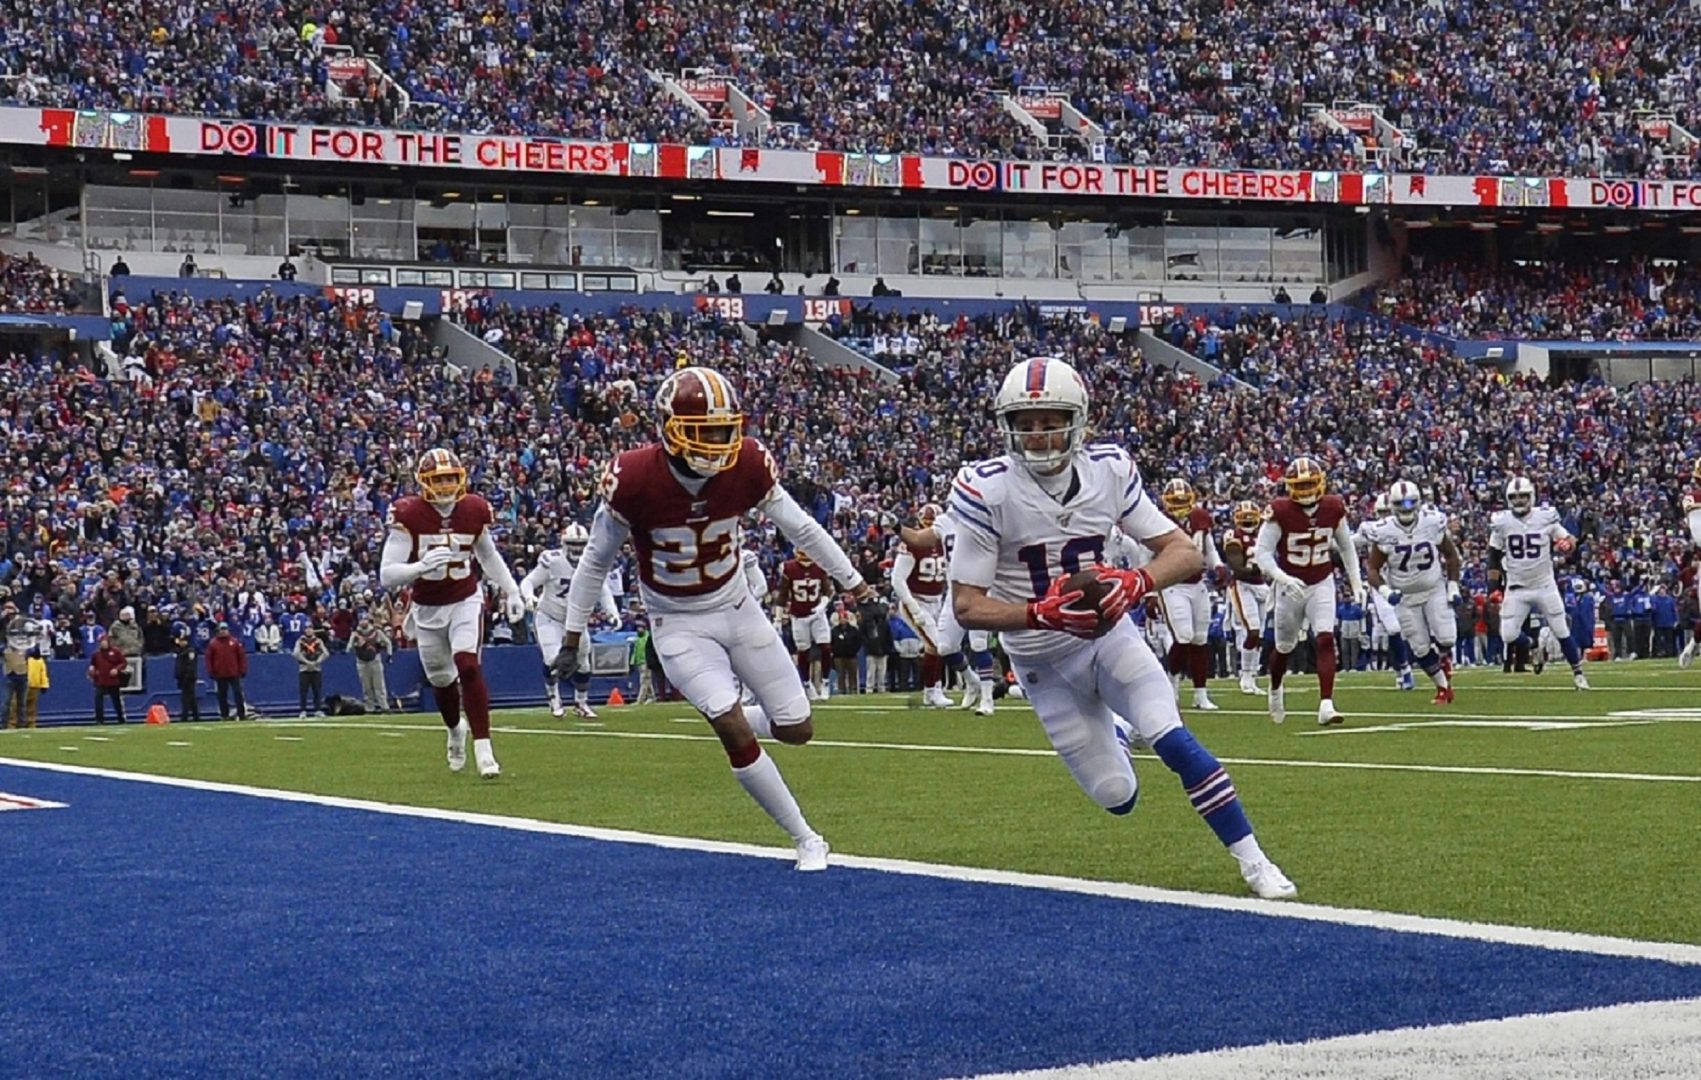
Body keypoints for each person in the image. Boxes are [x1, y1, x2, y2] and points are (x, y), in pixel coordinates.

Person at [948, 355, 1295, 900]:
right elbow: (967, 605)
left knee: (1174, 738)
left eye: (1050, 420)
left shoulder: (1109, 470)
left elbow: (1183, 553)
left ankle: (1254, 862)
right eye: (1026, 423)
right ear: (1006, 426)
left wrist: (1136, 583)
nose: (1038, 436)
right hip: (1040, 661)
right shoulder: (986, 489)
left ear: (1078, 419)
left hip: (1108, 636)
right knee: (1117, 795)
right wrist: (1040, 612)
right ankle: (1113, 730)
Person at [561, 366, 873, 872]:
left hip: (737, 607)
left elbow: (803, 528)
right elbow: (596, 560)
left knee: (797, 729)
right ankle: (806, 837)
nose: (716, 444)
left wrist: (854, 582)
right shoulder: (636, 478)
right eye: (702, 433)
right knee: (731, 726)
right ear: (668, 429)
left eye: (724, 431)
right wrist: (573, 634)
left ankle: (728, 715)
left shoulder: (747, 465)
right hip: (677, 623)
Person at [380, 447, 527, 778]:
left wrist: (512, 589)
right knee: (442, 682)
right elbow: (387, 574)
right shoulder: (409, 514)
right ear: (424, 482)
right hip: (428, 608)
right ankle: (454, 730)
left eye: (450, 479)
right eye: (439, 480)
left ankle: (484, 749)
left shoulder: (473, 509)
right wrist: (418, 567)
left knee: (468, 666)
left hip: (465, 599)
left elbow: (488, 556)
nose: (445, 486)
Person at [1252, 455, 1365, 726]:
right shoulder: (1279, 510)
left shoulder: (1333, 507)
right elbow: (1262, 553)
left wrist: (1356, 582)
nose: (1304, 491)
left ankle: (1326, 703)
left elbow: (1346, 546)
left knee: (1325, 638)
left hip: (1321, 580)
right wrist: (1282, 577)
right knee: (1284, 647)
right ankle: (1276, 687)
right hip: (1290, 587)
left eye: (1308, 485)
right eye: (1299, 486)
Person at [1363, 480, 1462, 705]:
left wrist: (1453, 586)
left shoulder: (1432, 522)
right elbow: (1373, 568)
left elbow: (1451, 555)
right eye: (1400, 503)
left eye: (1410, 503)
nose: (1406, 508)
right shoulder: (1384, 530)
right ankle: (1443, 688)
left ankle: (1444, 659)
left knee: (1447, 637)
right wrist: (1386, 591)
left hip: (1433, 588)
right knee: (1419, 647)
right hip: (1405, 597)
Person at [1489, 476, 1589, 690]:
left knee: (1561, 630)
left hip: (1544, 584)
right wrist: (1494, 588)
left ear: (1531, 496)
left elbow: (1570, 540)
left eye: (1523, 496)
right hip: (1516, 587)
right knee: (1508, 634)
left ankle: (1578, 673)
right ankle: (1535, 646)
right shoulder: (1502, 522)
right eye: (1514, 497)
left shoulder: (1545, 517)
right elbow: (1493, 556)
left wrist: (1567, 546)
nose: (1518, 501)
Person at [900, 505, 993, 714]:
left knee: (979, 642)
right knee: (944, 647)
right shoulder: (944, 522)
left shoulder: (987, 519)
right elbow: (917, 538)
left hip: (981, 588)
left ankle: (987, 700)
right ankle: (972, 682)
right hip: (954, 592)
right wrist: (897, 527)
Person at [522, 522, 617, 719]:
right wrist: (530, 596)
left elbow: (602, 589)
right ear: (564, 543)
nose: (577, 548)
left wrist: (611, 611)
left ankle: (581, 703)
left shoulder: (592, 562)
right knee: (552, 658)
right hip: (550, 616)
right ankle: (554, 698)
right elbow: (528, 581)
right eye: (573, 543)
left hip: (576, 621)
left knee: (583, 663)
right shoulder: (553, 560)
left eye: (580, 543)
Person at [1155, 478, 1221, 711]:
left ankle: (1200, 694)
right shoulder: (1157, 521)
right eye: (1175, 501)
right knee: (1183, 636)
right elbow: (1146, 557)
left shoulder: (1199, 517)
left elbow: (1208, 547)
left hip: (1197, 584)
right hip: (1172, 585)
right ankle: (1170, 687)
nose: (1180, 505)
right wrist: (1149, 594)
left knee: (1199, 639)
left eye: (1183, 500)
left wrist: (1218, 566)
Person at [1355, 494, 1413, 690]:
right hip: (1380, 585)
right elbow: (1350, 542)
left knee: (1408, 628)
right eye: (1381, 512)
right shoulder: (1371, 529)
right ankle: (1403, 671)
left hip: (1403, 583)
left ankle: (1408, 667)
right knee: (1393, 628)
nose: (1385, 517)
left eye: (1388, 512)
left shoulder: (1408, 528)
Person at [1219, 500, 1270, 695]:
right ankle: (1245, 676)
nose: (1248, 523)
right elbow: (1237, 567)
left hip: (1261, 586)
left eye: (1251, 519)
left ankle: (1252, 677)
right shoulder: (1234, 536)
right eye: (1244, 519)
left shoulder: (1263, 535)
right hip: (1242, 585)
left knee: (1260, 636)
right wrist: (1260, 567)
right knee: (1253, 631)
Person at [779, 551, 834, 700]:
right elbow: (782, 594)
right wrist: (778, 619)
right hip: (799, 616)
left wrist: (822, 605)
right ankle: (807, 684)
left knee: (826, 647)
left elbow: (829, 590)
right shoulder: (789, 568)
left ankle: (825, 682)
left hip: (817, 614)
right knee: (803, 651)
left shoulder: (819, 566)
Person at [350, 613, 394, 712]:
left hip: (375, 660)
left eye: (365, 620)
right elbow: (349, 647)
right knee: (366, 687)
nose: (363, 622)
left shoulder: (376, 632)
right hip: (362, 662)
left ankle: (384, 706)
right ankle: (369, 707)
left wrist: (389, 654)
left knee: (379, 685)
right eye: (361, 620)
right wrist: (356, 644)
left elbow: (388, 642)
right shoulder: (356, 634)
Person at [206, 621, 249, 720]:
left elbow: (241, 656)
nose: (224, 632)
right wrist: (211, 671)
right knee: (222, 696)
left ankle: (241, 713)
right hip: (220, 674)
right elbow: (209, 658)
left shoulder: (234, 642)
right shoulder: (213, 644)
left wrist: (242, 669)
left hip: (234, 673)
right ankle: (224, 715)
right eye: (222, 629)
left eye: (225, 629)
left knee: (238, 694)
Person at [88, 631, 129, 724]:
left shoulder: (116, 652)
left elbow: (123, 662)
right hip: (100, 680)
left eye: (105, 642)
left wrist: (117, 669)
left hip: (113, 680)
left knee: (116, 700)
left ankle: (121, 718)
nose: (103, 644)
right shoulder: (96, 654)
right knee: (98, 700)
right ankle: (99, 719)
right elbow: (93, 664)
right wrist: (92, 670)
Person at [293, 625, 328, 717]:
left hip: (316, 669)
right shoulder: (300, 641)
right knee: (303, 691)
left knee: (317, 690)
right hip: (304, 669)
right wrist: (306, 662)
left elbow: (326, 653)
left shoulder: (318, 641)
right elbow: (296, 653)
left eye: (310, 629)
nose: (309, 631)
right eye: (307, 629)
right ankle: (303, 710)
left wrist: (317, 661)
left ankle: (318, 709)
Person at [830, 609, 862, 695]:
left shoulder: (854, 630)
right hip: (839, 657)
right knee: (841, 675)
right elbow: (831, 643)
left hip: (851, 656)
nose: (843, 620)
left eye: (844, 618)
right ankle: (841, 691)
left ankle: (853, 690)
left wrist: (854, 650)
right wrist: (835, 651)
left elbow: (858, 641)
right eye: (841, 618)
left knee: (853, 674)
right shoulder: (834, 631)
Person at [173, 629, 202, 722]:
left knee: (187, 698)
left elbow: (190, 666)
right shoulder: (181, 651)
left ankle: (185, 716)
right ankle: (195, 716)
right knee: (190, 698)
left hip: (188, 678)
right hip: (183, 677)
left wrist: (186, 676)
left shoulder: (189, 651)